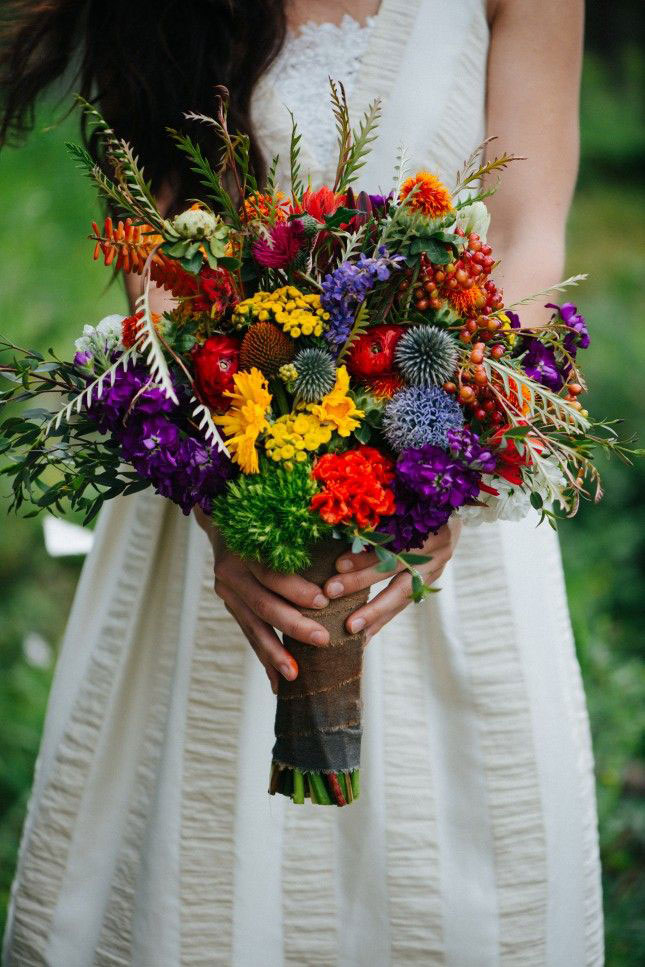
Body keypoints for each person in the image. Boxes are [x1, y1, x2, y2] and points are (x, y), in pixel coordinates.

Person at [1, 1, 604, 963]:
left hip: (447, 453)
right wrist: (219, 505)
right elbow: (160, 253)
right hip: (222, 469)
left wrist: (449, 464)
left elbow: (528, 233)